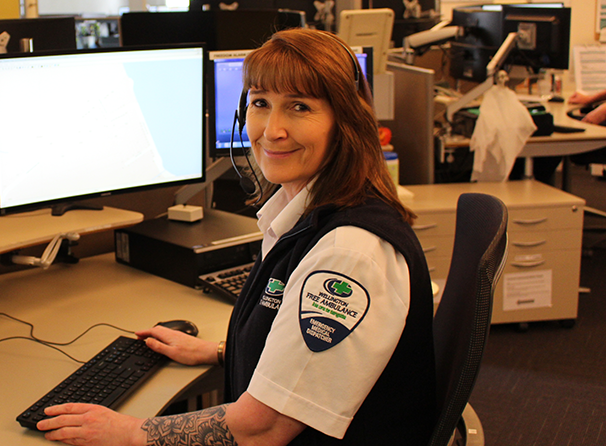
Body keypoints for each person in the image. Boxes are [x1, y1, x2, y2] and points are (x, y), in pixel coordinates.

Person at [37, 28, 437, 445]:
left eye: (300, 107)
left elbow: (261, 428)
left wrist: (131, 432)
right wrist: (221, 352)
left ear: (345, 124)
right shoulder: (303, 215)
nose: (271, 129)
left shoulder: (349, 254)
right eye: (260, 103)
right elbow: (313, 363)